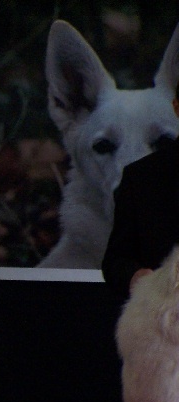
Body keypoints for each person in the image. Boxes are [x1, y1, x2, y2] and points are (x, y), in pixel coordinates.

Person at [101, 84, 179, 300]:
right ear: (176, 107)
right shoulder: (141, 177)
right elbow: (116, 260)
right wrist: (136, 276)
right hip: (162, 310)